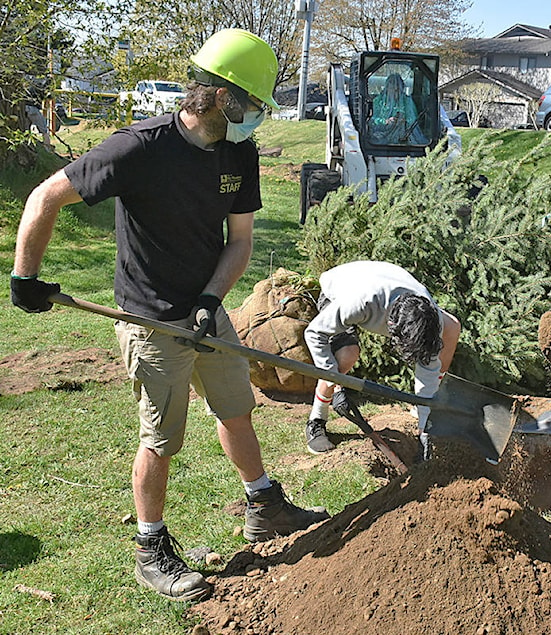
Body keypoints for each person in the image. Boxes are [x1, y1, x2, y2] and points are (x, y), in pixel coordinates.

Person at [10, 29, 328, 602]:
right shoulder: (140, 148)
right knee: (162, 439)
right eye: (255, 104)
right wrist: (24, 278)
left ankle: (264, 505)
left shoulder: (240, 150)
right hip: (151, 318)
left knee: (237, 407)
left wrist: (211, 299)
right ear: (223, 96)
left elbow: (241, 240)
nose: (259, 117)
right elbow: (44, 197)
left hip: (206, 309)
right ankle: (151, 548)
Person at [302, 261, 461, 461]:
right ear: (392, 327)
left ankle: (426, 415)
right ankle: (316, 419)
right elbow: (315, 333)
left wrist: (425, 431)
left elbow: (427, 369)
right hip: (340, 287)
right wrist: (332, 379)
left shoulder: (429, 320)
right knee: (347, 356)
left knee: (452, 327)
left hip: (381, 284)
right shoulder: (359, 303)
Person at [370, 73, 426, 144]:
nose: (395, 93)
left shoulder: (407, 101)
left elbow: (413, 120)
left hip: (402, 135)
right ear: (387, 88)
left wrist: (403, 121)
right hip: (382, 133)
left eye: (397, 90)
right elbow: (372, 120)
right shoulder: (378, 101)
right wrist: (386, 121)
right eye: (392, 89)